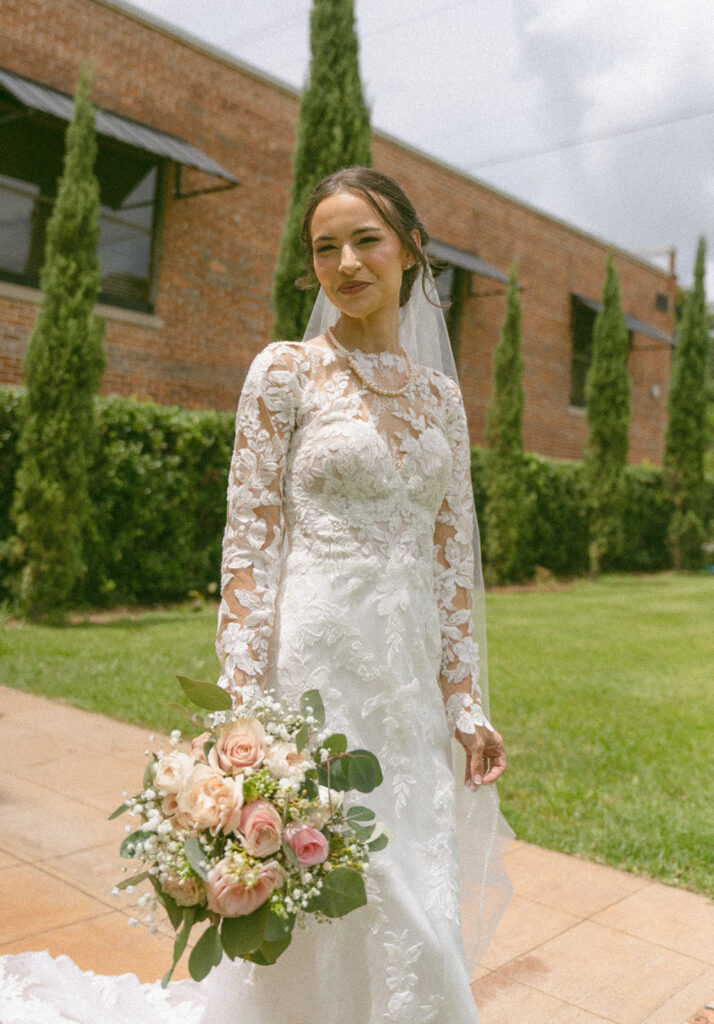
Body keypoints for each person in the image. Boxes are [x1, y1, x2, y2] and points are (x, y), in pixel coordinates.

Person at [0, 167, 511, 1023]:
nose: (345, 262)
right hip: (312, 664)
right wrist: (242, 707)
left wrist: (464, 701)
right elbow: (249, 540)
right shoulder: (286, 373)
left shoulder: (443, 401)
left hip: (409, 673)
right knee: (333, 860)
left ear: (413, 250)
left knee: (412, 876)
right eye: (324, 247)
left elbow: (451, 554)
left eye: (365, 239)